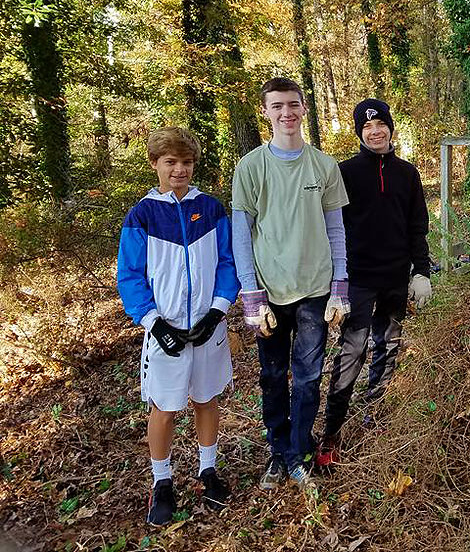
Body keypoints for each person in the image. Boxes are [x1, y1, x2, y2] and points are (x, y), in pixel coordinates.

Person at [117, 127, 240, 525]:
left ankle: (208, 470)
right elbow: (130, 276)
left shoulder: (211, 208)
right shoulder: (141, 215)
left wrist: (218, 311)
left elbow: (228, 262)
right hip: (164, 327)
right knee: (165, 408)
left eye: (186, 162)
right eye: (170, 162)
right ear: (155, 163)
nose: (179, 170)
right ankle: (162, 482)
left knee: (206, 399)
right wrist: (153, 323)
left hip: (208, 325)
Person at [231, 77, 350, 490]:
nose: (287, 113)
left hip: (315, 291)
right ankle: (278, 452)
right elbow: (241, 233)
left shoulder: (324, 166)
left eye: (293, 104)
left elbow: (336, 229)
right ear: (265, 111)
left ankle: (298, 453)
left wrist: (340, 286)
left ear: (303, 108)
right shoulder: (250, 167)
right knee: (272, 375)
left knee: (307, 377)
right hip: (269, 292)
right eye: (277, 105)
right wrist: (251, 294)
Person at [316, 98, 432, 468]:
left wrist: (422, 271)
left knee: (389, 344)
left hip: (395, 277)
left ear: (390, 128)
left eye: (380, 124)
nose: (375, 131)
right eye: (367, 127)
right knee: (352, 351)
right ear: (359, 133)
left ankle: (376, 414)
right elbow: (331, 228)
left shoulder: (407, 174)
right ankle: (332, 429)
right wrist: (334, 279)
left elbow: (417, 226)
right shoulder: (345, 172)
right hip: (357, 279)